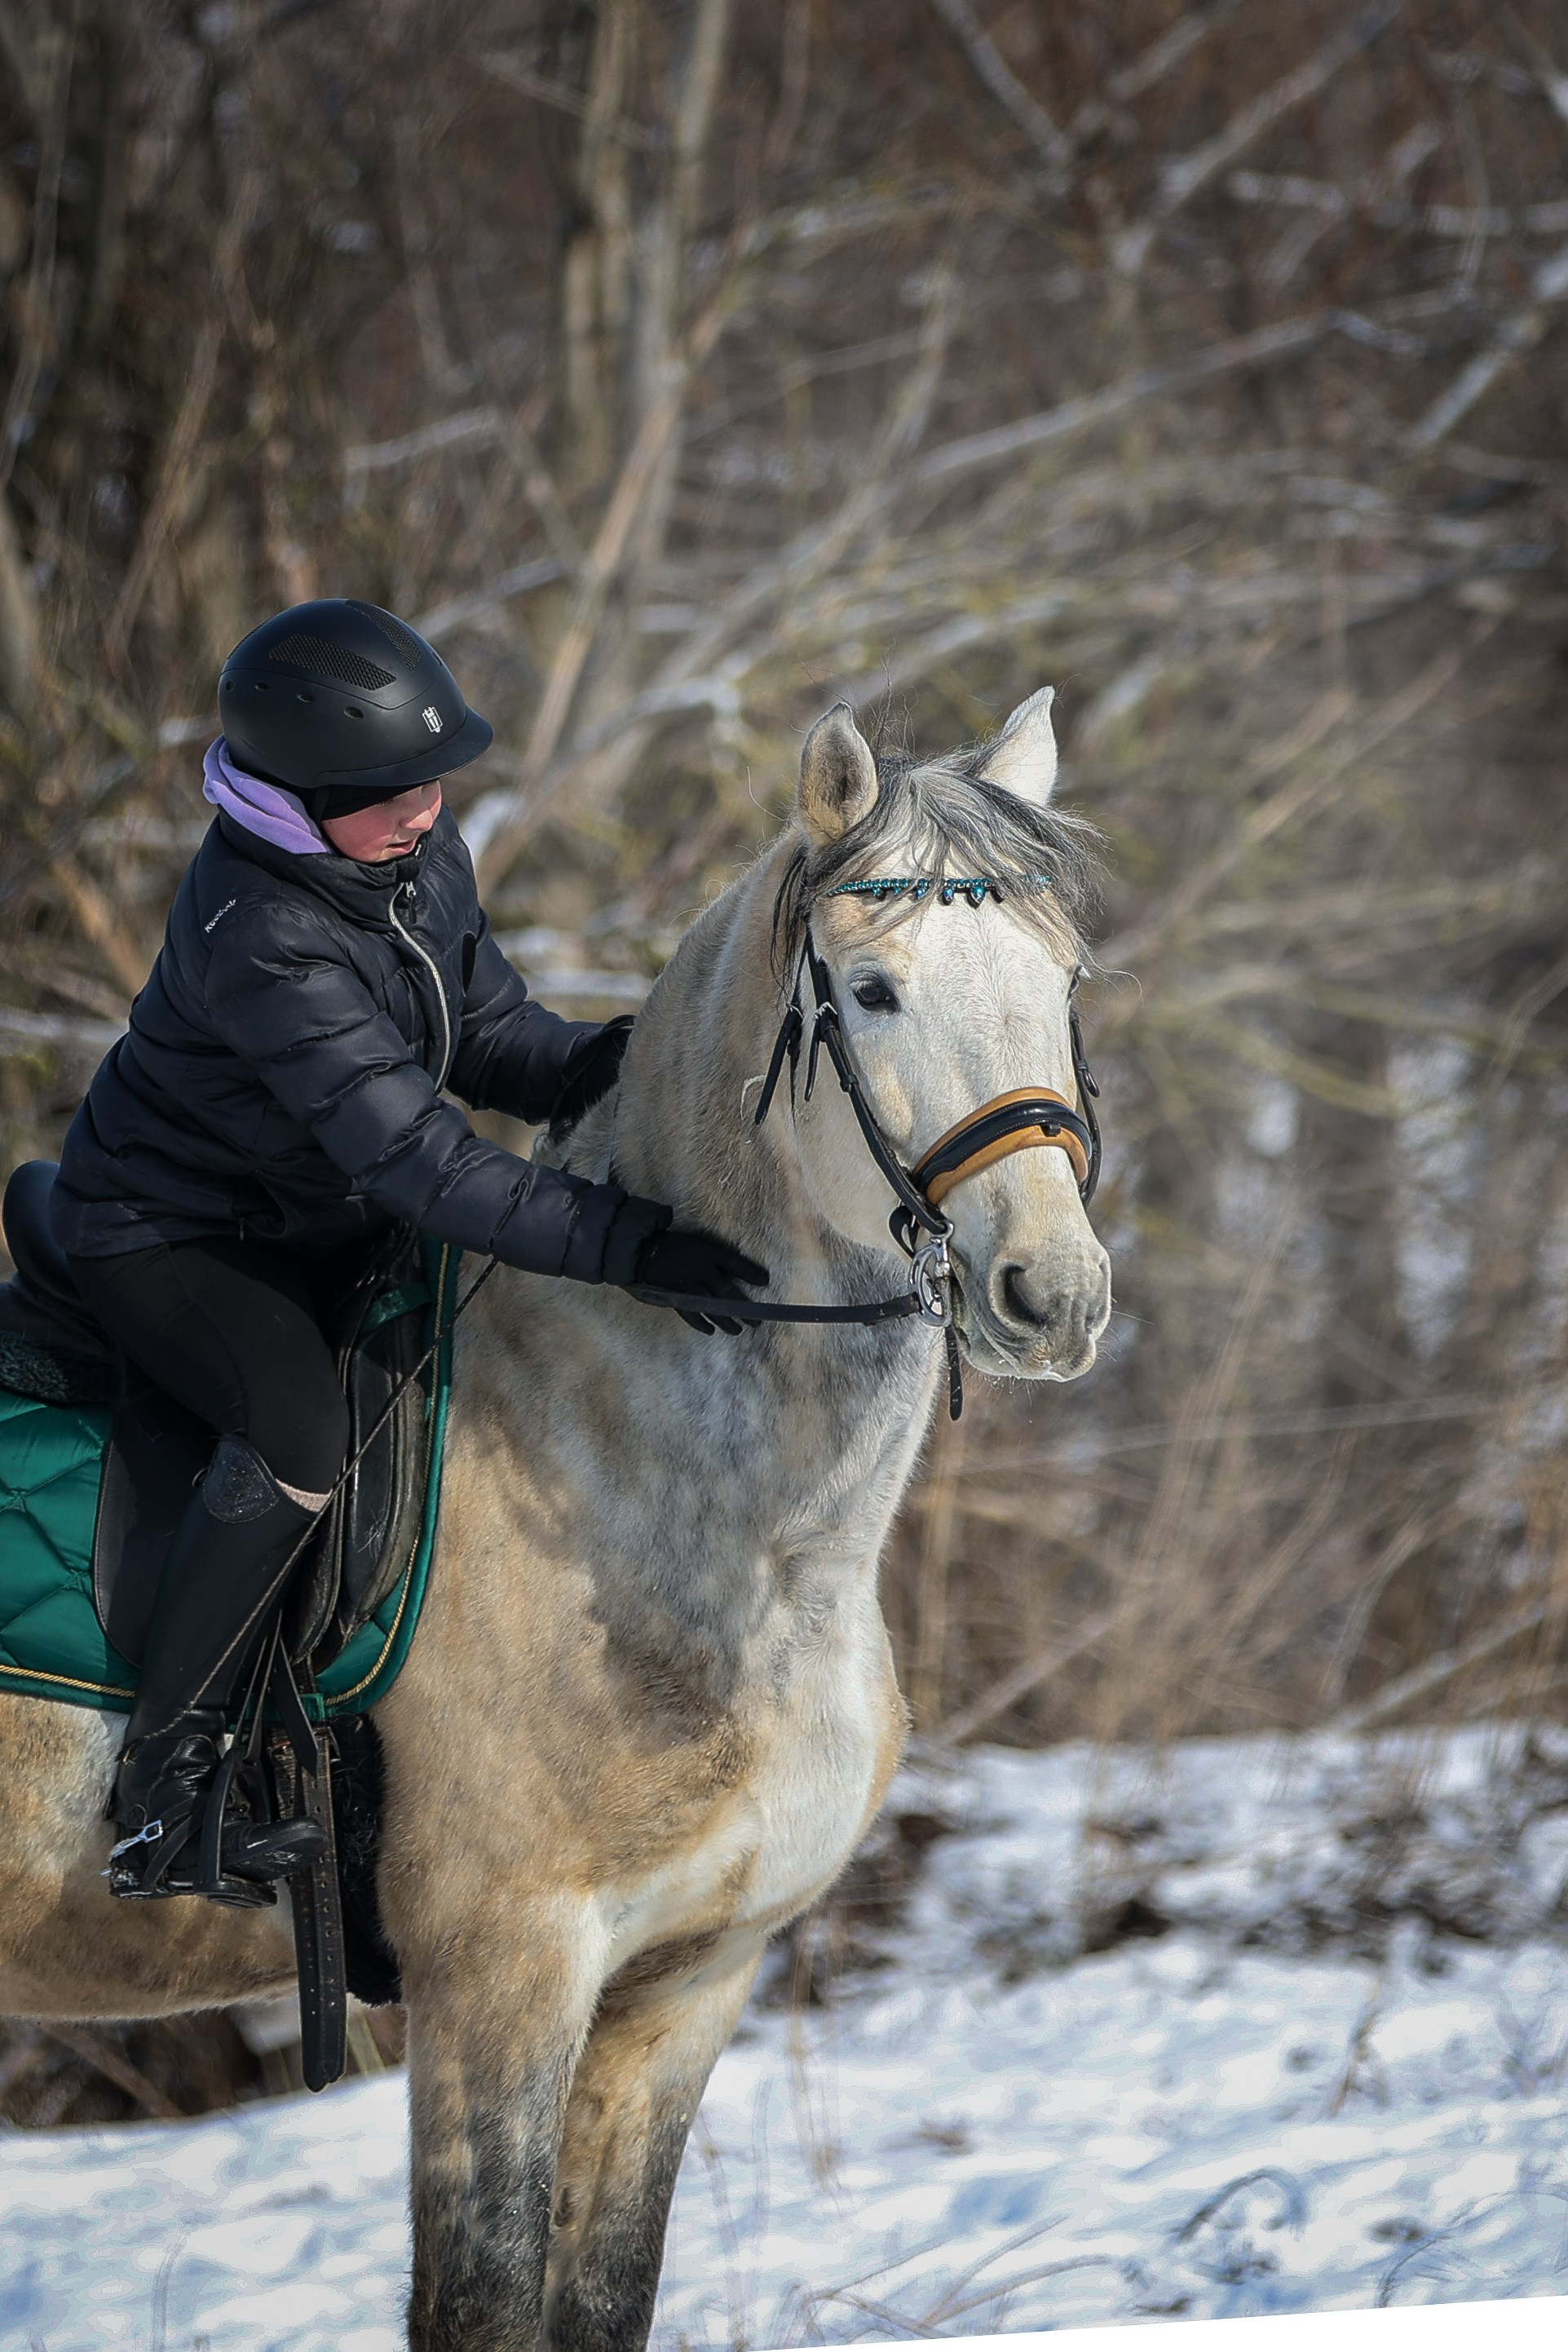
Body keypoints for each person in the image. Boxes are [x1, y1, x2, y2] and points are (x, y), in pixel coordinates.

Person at [48, 598, 767, 1907]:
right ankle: (164, 1789)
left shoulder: (411, 860)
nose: (425, 809)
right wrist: (622, 1241)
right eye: (385, 793)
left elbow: (486, 1031)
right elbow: (417, 1159)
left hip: (315, 1211)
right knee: (297, 1438)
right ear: (293, 798)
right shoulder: (259, 935)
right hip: (176, 1236)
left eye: (433, 779)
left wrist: (611, 1062)